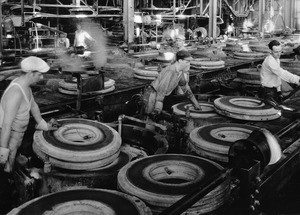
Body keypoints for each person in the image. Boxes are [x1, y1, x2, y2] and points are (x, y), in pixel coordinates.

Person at [0, 56, 59, 173]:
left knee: (14, 157)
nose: (42, 77)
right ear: (31, 73)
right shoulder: (16, 93)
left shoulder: (25, 86)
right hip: (9, 135)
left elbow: (33, 105)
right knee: (8, 168)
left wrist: (43, 124)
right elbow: (6, 127)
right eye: (40, 74)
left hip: (17, 134)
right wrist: (3, 154)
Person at [144, 50, 201, 119]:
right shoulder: (170, 71)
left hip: (160, 96)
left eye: (189, 62)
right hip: (152, 94)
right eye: (187, 62)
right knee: (150, 120)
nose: (189, 64)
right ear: (180, 61)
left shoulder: (180, 72)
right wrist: (157, 109)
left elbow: (185, 89)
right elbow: (161, 91)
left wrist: (196, 104)